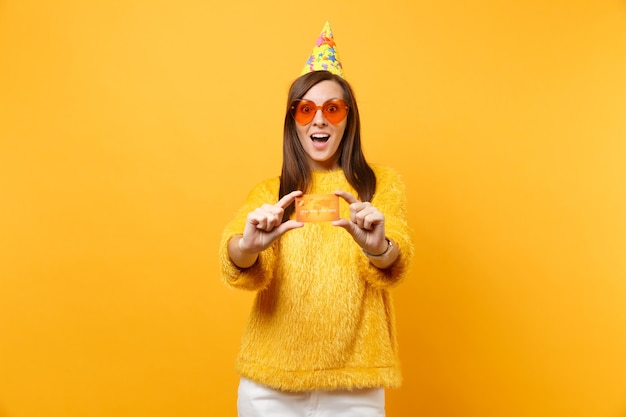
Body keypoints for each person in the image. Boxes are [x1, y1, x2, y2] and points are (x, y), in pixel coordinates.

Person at [219, 22, 413, 417]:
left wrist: (379, 248)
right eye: (306, 109)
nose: (319, 120)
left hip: (354, 385)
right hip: (269, 383)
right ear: (293, 121)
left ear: (348, 118)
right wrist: (248, 247)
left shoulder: (379, 184)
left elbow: (398, 254)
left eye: (332, 108)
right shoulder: (269, 193)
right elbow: (235, 257)